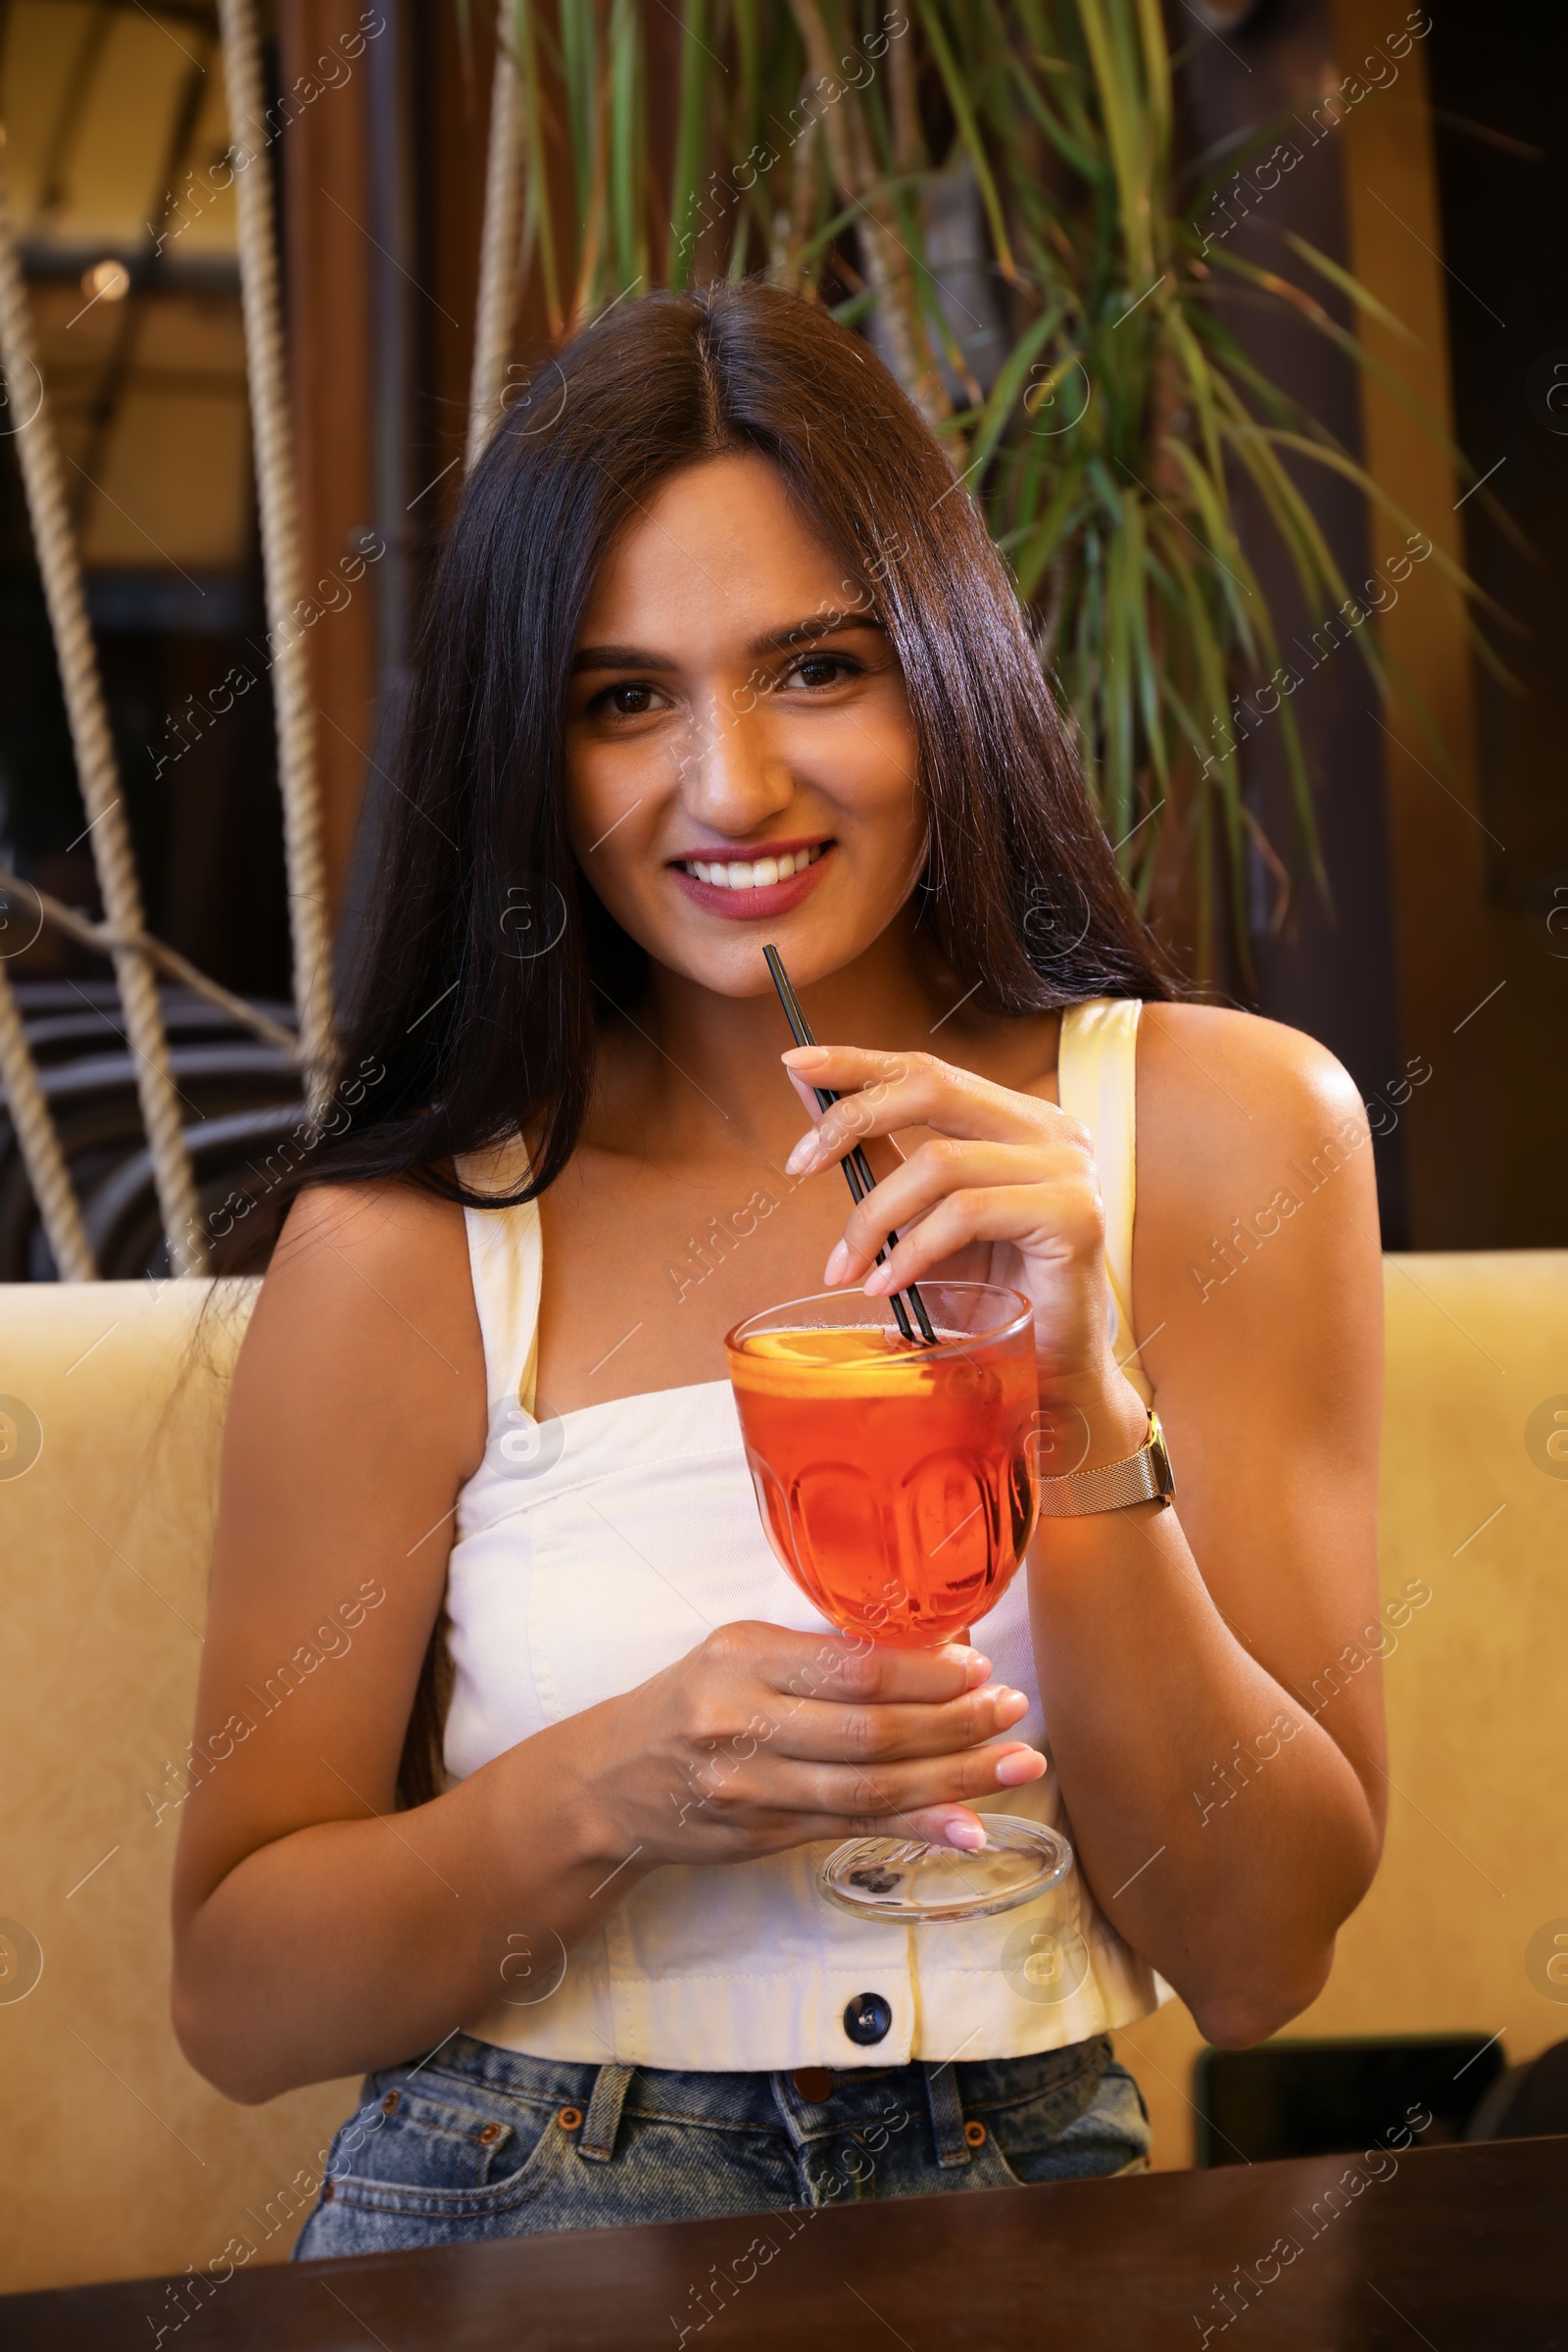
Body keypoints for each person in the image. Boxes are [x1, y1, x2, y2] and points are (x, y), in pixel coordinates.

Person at [170, 282, 1387, 2253]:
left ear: (946, 665)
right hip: (511, 2208)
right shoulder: (412, 1243)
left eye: (814, 667)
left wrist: (1078, 1410)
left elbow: (1257, 1962)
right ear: (530, 755)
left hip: (1038, 2207)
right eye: (622, 698)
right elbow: (236, 1999)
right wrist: (618, 1788)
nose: (728, 788)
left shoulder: (1229, 1131)